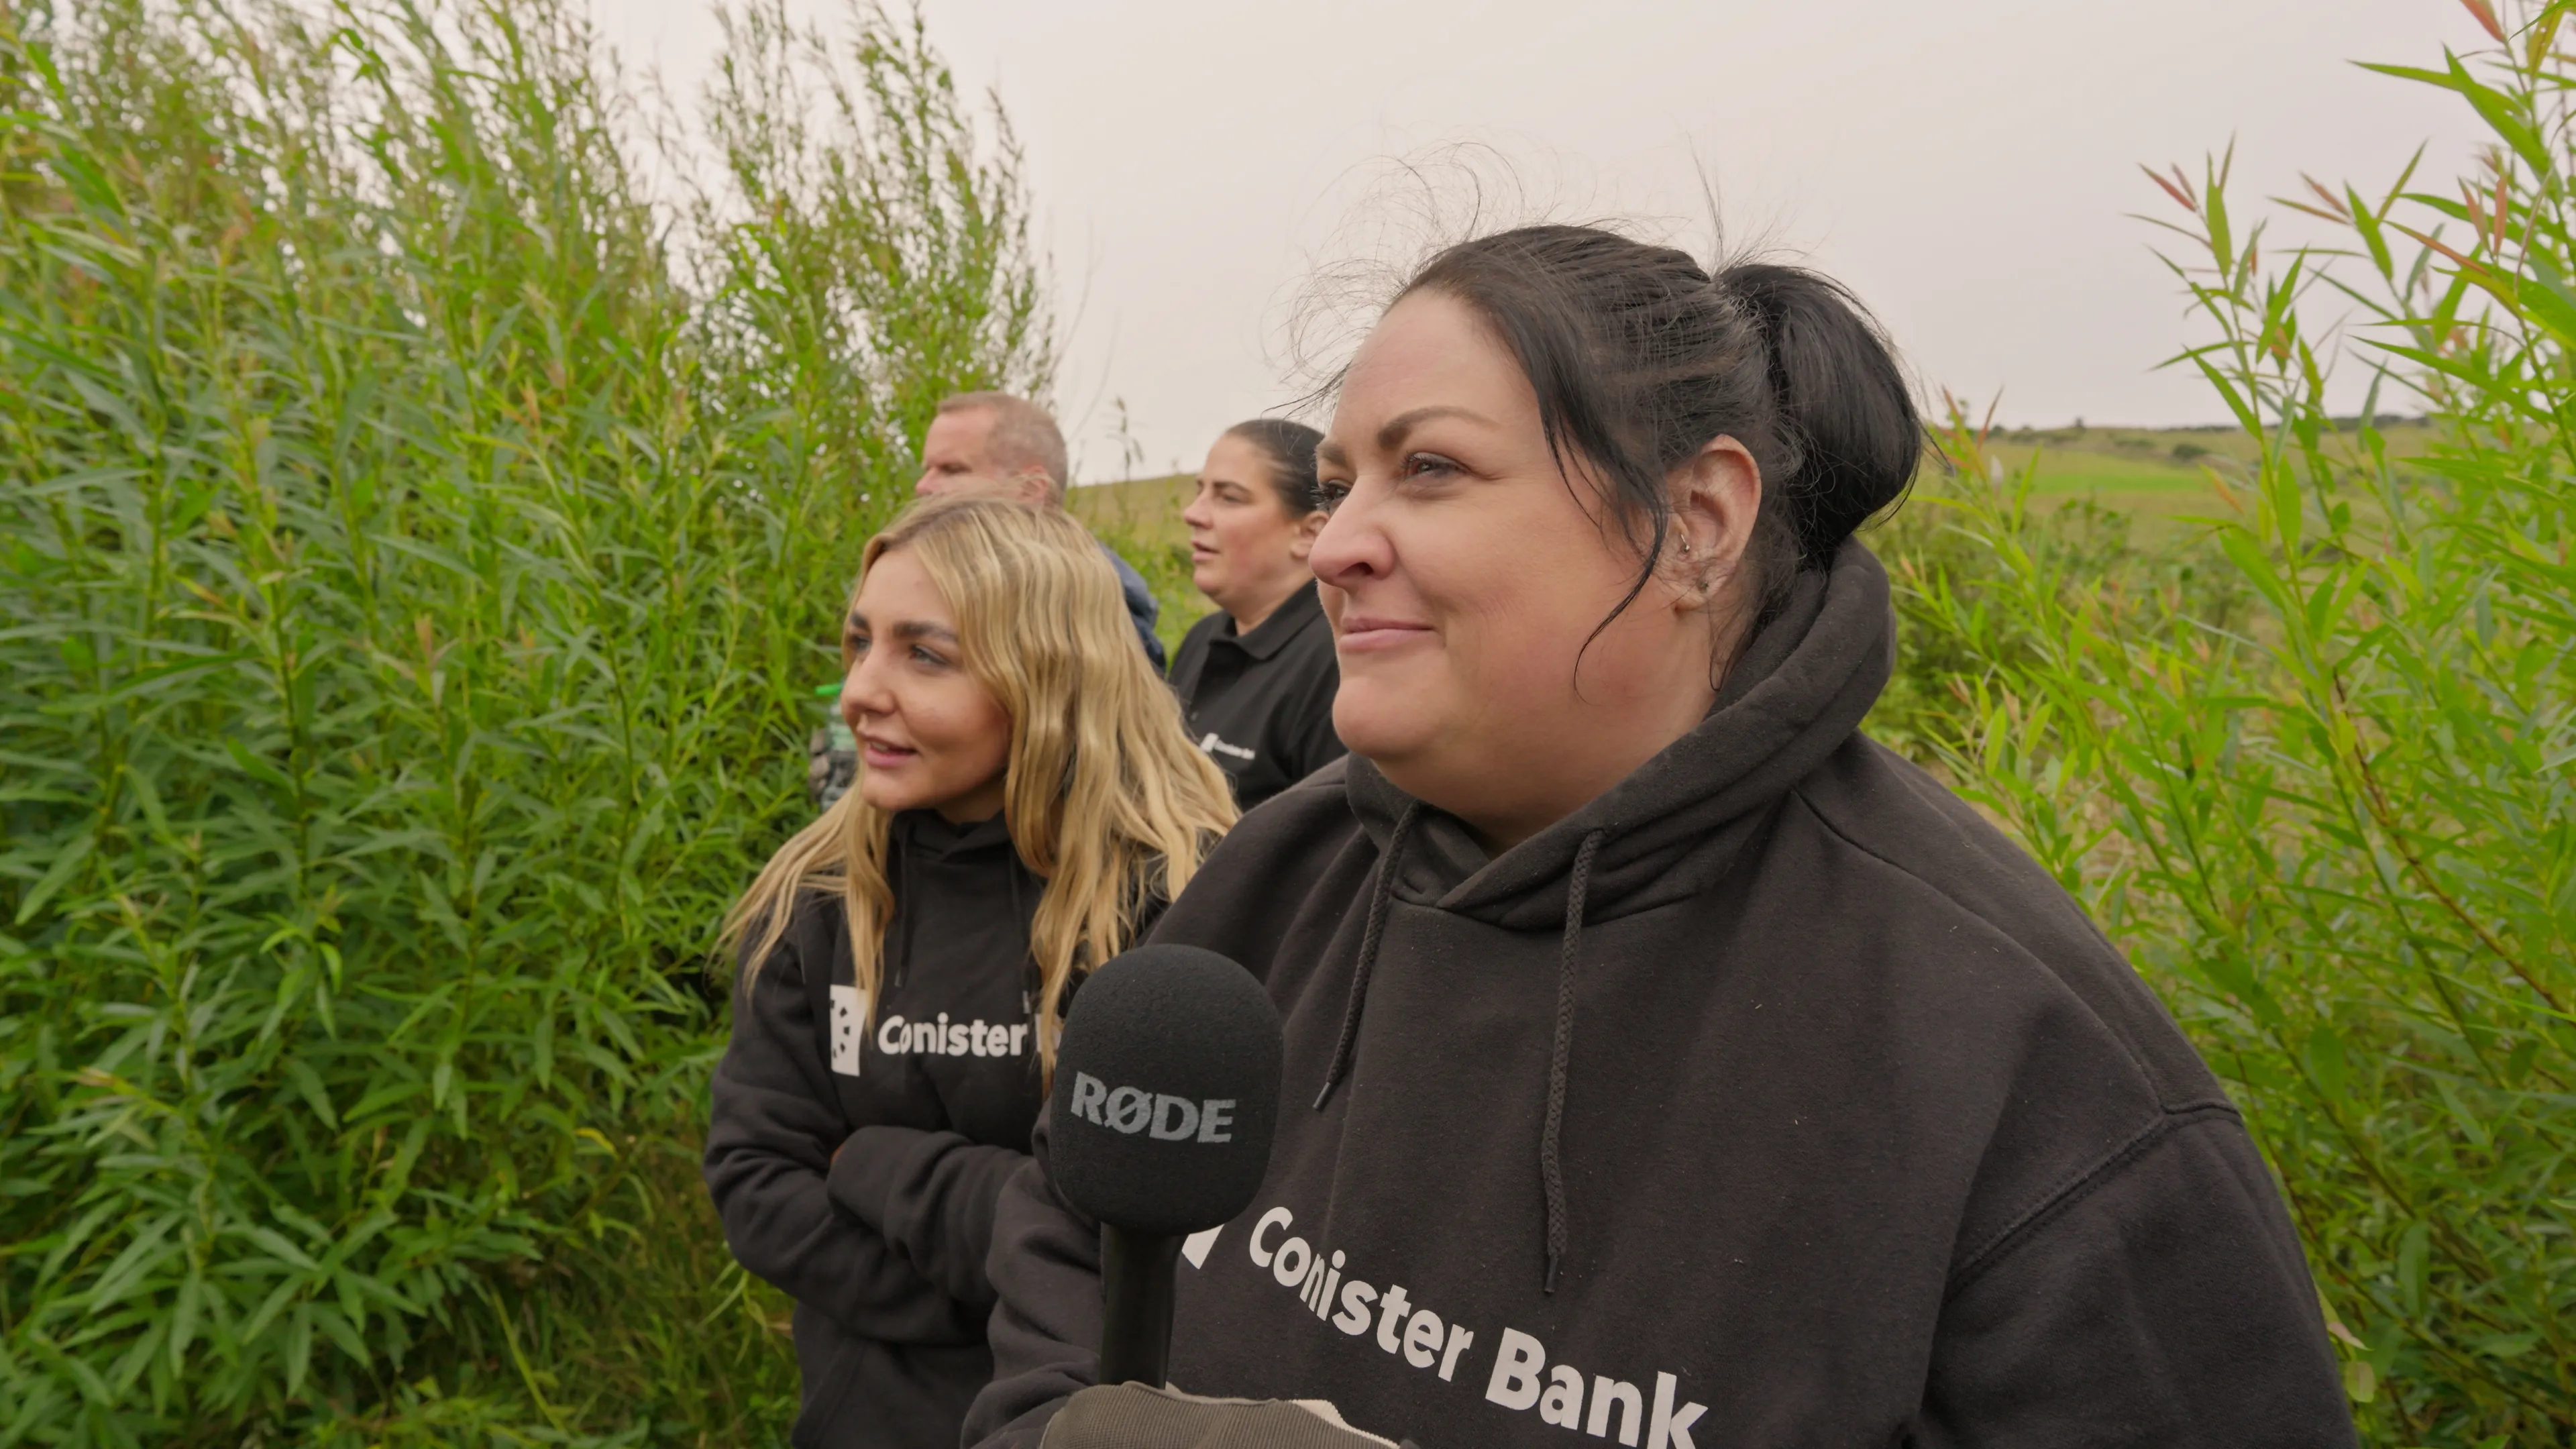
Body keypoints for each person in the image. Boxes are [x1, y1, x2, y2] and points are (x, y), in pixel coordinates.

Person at [965, 226, 2357, 1448]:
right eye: (1337, 486)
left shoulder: (2019, 1068)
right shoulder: (1280, 877)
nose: (1337, 547)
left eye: (1431, 470)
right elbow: (1068, 1230)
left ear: (1696, 528)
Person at [706, 496, 1236, 1449]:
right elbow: (756, 1183)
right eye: (859, 642)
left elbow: (1171, 1241)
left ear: (1050, 677)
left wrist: (873, 1163)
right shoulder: (821, 894)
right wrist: (1022, 1274)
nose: (859, 692)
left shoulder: (1178, 903)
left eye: (925, 655)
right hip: (864, 1415)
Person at [915, 391, 1166, 672]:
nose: (923, 486)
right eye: (927, 469)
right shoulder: (941, 581)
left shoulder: (1088, 621)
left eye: (952, 470)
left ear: (1029, 490)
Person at [1169, 419, 1343, 811]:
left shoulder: (1335, 661)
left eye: (1228, 498)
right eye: (1200, 492)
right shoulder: (1204, 638)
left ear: (1310, 534)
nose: (1193, 514)